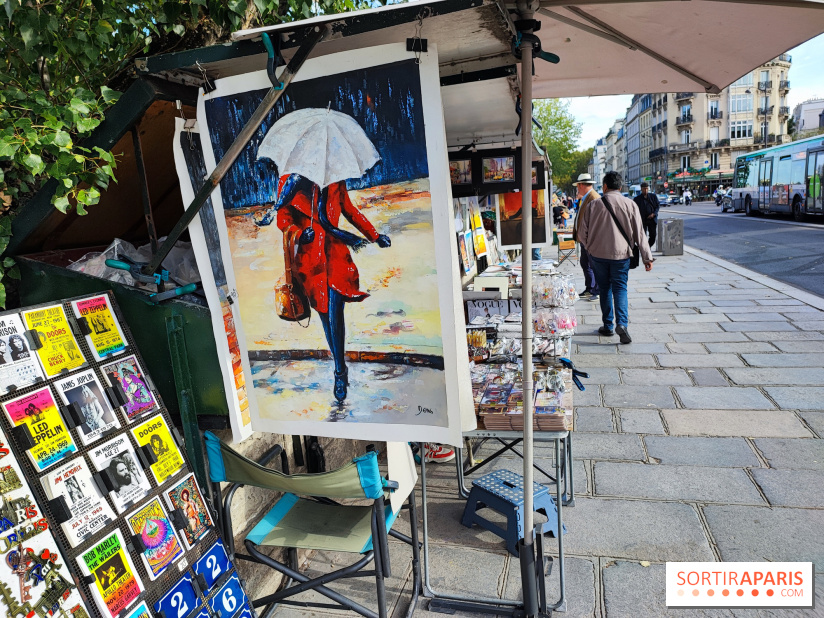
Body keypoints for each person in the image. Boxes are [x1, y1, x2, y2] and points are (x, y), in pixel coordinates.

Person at [255, 173, 391, 403]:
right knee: (326, 315)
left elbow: (349, 210)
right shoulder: (289, 182)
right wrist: (299, 234)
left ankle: (339, 370)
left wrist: (375, 235)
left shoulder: (336, 180)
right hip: (310, 261)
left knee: (335, 310)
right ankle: (340, 364)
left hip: (336, 254)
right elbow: (283, 220)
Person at [576, 171, 654, 344]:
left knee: (604, 288)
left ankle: (608, 325)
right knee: (620, 288)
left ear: (604, 187)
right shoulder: (630, 204)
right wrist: (647, 257)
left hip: (598, 256)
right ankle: (622, 324)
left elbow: (582, 234)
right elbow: (640, 233)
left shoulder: (593, 205)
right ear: (620, 187)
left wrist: (590, 249)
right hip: (622, 255)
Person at [571, 173, 601, 302]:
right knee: (585, 263)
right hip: (585, 238)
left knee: (594, 264)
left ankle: (597, 290)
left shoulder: (593, 197)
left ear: (581, 185)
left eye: (578, 185)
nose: (577, 188)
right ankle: (590, 288)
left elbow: (595, 220)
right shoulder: (586, 197)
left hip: (590, 239)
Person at [633, 182, 660, 250]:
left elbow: (657, 206)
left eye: (647, 189)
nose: (646, 190)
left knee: (653, 236)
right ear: (641, 189)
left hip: (652, 219)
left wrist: (654, 214)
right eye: (644, 189)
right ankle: (645, 250)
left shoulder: (653, 196)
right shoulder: (637, 199)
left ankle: (647, 247)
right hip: (643, 220)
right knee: (643, 236)